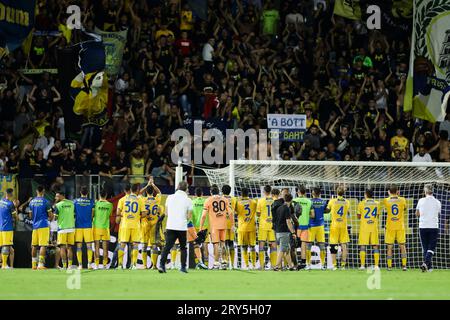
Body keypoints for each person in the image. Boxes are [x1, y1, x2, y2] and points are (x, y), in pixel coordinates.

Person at [159, 181, 192, 273]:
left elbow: (166, 213)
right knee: (183, 248)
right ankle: (183, 267)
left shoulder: (169, 197)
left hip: (171, 225)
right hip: (181, 227)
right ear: (186, 189)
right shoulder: (188, 200)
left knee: (167, 247)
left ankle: (161, 265)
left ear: (177, 187)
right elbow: (189, 217)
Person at [200, 185, 233, 270]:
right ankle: (225, 262)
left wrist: (201, 227)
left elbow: (203, 216)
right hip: (223, 224)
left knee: (216, 244)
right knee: (223, 243)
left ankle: (216, 263)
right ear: (219, 192)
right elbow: (230, 213)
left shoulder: (208, 200)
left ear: (211, 192)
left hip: (214, 226)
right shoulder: (225, 199)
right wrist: (232, 224)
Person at [116, 184, 147, 270]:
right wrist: (137, 216)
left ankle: (120, 265)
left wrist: (125, 214)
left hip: (125, 225)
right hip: (136, 225)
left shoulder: (123, 199)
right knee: (135, 245)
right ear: (137, 190)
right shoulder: (140, 200)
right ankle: (133, 265)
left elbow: (118, 212)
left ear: (130, 190)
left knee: (122, 245)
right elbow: (144, 213)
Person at [416, 184, 441, 272]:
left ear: (425, 191)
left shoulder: (421, 201)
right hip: (433, 226)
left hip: (423, 226)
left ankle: (427, 266)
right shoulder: (437, 202)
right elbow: (438, 213)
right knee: (431, 247)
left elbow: (417, 214)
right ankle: (427, 265)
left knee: (425, 247)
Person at [383, 185, 408, 271]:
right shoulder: (403, 200)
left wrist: (390, 195)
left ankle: (389, 266)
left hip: (390, 226)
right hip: (400, 226)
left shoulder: (386, 200)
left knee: (389, 247)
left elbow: (387, 206)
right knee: (402, 246)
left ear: (389, 192)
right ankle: (404, 266)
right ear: (397, 191)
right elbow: (404, 208)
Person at [139, 177, 162, 269]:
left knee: (144, 245)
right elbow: (160, 192)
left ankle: (144, 265)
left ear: (146, 192)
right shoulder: (157, 199)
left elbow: (139, 192)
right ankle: (154, 265)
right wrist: (153, 184)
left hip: (145, 224)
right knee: (154, 245)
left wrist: (147, 185)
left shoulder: (143, 199)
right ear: (153, 192)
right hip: (154, 224)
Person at [29, 185, 53, 270]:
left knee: (34, 245)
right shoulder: (46, 202)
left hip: (35, 226)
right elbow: (51, 216)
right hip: (43, 225)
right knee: (43, 245)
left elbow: (30, 215)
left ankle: (33, 264)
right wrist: (49, 219)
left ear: (36, 191)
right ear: (43, 191)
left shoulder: (31, 202)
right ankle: (40, 264)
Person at [327, 186, 350, 270]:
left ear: (336, 192)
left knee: (333, 246)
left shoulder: (332, 201)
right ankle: (343, 265)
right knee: (344, 245)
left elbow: (327, 210)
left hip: (334, 226)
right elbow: (348, 213)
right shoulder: (347, 202)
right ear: (343, 193)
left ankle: (334, 265)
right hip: (343, 225)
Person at [272, 192, 296, 271]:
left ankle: (291, 266)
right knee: (282, 249)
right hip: (284, 232)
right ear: (291, 200)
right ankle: (276, 266)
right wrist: (293, 232)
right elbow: (288, 222)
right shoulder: (286, 209)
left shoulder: (279, 208)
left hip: (278, 231)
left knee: (286, 249)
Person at [357, 189, 380, 270]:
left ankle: (362, 265)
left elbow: (358, 216)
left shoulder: (361, 203)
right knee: (375, 246)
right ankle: (376, 266)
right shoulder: (377, 203)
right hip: (373, 227)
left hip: (364, 227)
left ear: (366, 194)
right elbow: (377, 215)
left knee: (363, 246)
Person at [74, 186, 95, 270]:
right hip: (88, 226)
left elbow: (74, 213)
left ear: (80, 192)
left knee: (79, 246)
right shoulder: (91, 202)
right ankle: (89, 264)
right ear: (88, 193)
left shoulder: (75, 201)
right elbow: (93, 214)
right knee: (89, 246)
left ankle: (80, 265)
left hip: (78, 226)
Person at [293, 186, 314, 270]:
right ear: (305, 192)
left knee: (293, 245)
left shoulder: (295, 201)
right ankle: (303, 263)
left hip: (297, 225)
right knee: (303, 245)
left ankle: (294, 263)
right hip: (305, 225)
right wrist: (306, 215)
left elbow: (291, 212)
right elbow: (313, 215)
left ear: (298, 192)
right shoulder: (309, 202)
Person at [235, 188, 257, 270]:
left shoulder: (238, 203)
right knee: (252, 246)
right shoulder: (254, 202)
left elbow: (235, 212)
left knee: (244, 247)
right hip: (252, 227)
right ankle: (254, 265)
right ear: (248, 193)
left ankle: (247, 266)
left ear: (241, 194)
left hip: (242, 227)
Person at [256, 185, 277, 270]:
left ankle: (261, 266)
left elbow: (258, 213)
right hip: (272, 225)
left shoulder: (260, 201)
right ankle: (273, 265)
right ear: (271, 191)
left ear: (264, 192)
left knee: (261, 245)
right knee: (273, 245)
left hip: (263, 225)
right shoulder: (274, 200)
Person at [54, 191, 75, 269]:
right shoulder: (72, 203)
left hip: (62, 228)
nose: (56, 198)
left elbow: (55, 218)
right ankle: (69, 266)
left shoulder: (58, 205)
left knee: (62, 247)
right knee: (69, 247)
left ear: (62, 196)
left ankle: (64, 266)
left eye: (57, 196)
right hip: (71, 228)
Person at [93, 189, 113, 269]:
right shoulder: (110, 205)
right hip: (105, 228)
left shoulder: (96, 204)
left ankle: (97, 265)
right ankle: (104, 265)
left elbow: (93, 214)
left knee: (96, 247)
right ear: (106, 195)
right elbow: (110, 215)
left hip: (96, 227)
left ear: (99, 195)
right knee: (105, 248)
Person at [309, 188, 329, 270]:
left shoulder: (310, 201)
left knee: (308, 245)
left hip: (311, 225)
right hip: (320, 225)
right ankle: (323, 264)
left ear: (313, 193)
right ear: (320, 193)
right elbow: (327, 211)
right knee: (321, 245)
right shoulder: (323, 201)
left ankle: (308, 264)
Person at [191, 187, 209, 269]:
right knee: (205, 246)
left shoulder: (192, 202)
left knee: (196, 245)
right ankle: (206, 264)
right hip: (204, 226)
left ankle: (198, 263)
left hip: (195, 227)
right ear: (202, 194)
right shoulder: (206, 201)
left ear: (195, 194)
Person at [0, 188, 18, 269]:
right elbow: (16, 217)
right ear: (11, 194)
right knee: (6, 246)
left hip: (1, 227)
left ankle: (10, 266)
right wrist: (16, 206)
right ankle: (4, 265)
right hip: (7, 228)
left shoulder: (1, 201)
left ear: (5, 193)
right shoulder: (10, 204)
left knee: (11, 249)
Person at [221, 185, 237, 269]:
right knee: (231, 243)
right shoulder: (234, 199)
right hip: (231, 224)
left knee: (224, 243)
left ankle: (225, 262)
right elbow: (236, 211)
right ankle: (232, 264)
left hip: (223, 223)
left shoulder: (221, 199)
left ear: (222, 191)